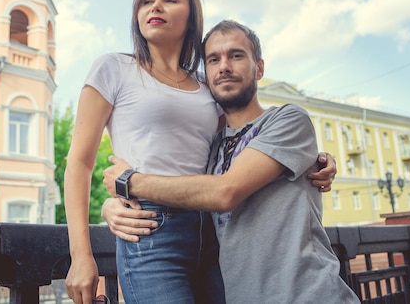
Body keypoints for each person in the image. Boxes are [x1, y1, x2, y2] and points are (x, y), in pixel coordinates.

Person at [64, 0, 336, 304]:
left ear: (191, 17)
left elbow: (239, 143)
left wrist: (317, 159)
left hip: (213, 231)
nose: (156, 7)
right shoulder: (113, 68)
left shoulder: (206, 81)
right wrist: (82, 254)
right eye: (147, 1)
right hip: (150, 227)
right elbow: (79, 162)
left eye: (170, 0)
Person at [102, 20, 360, 303]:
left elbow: (225, 192)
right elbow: (181, 184)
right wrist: (113, 206)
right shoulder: (210, 148)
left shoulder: (288, 119)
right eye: (213, 59)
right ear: (206, 74)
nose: (224, 66)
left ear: (259, 68)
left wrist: (130, 182)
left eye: (236, 55)